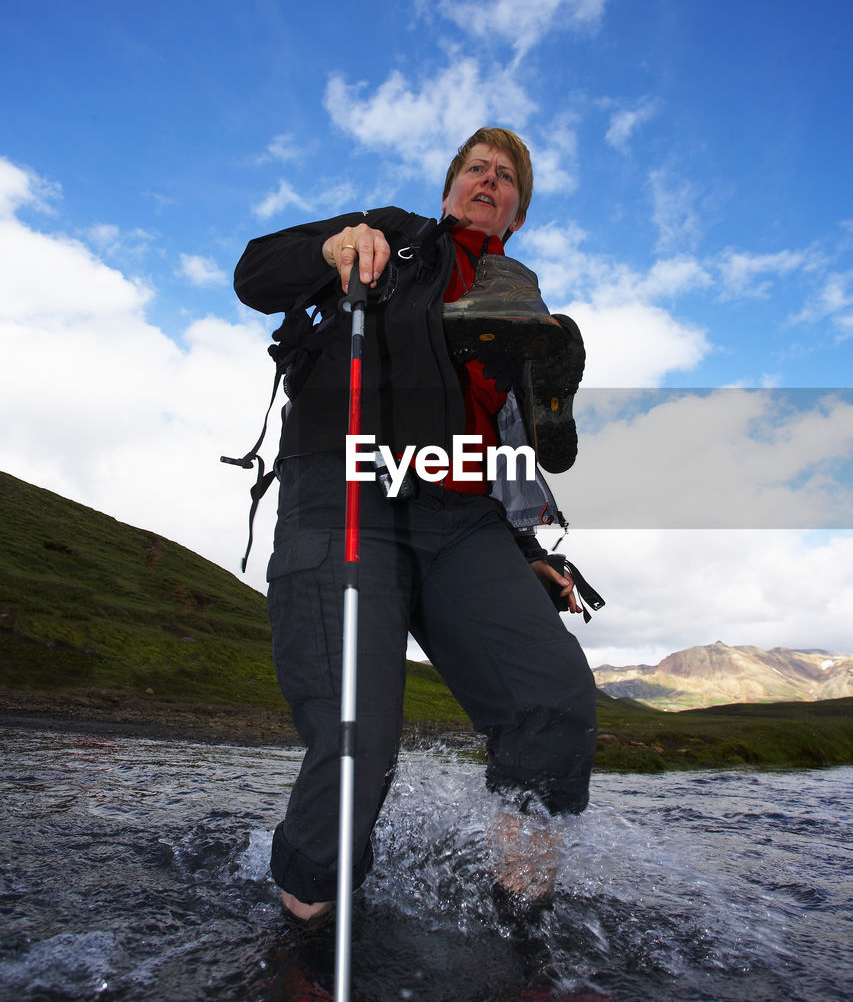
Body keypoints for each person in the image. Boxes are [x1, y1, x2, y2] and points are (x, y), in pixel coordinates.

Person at [233, 127, 597, 929]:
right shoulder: (395, 238)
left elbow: (499, 441)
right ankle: (303, 944)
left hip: (464, 520)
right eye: (476, 168)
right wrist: (334, 244)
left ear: (517, 213)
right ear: (448, 189)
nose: (489, 181)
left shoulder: (517, 307)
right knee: (356, 738)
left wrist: (523, 548)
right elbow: (254, 274)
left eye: (507, 178)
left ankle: (520, 937)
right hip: (345, 486)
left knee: (555, 701)